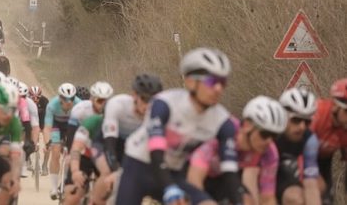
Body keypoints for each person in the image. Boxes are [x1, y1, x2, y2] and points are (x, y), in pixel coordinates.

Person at [116, 47, 238, 205]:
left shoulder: (223, 121)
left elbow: (230, 173)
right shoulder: (164, 104)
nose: (218, 89)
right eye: (211, 81)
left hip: (174, 172)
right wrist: (169, 187)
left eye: (222, 82)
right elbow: (156, 151)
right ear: (190, 81)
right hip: (139, 167)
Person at [187, 96, 287, 204]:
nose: (269, 141)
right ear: (248, 126)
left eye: (274, 136)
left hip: (222, 178)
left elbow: (268, 198)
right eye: (265, 134)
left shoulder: (270, 151)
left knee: (247, 202)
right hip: (188, 170)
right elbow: (194, 178)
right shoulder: (225, 131)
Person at [87, 74, 162, 204]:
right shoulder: (117, 104)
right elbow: (110, 144)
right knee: (107, 173)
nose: (147, 105)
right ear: (134, 95)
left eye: (153, 101)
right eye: (144, 99)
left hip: (132, 147)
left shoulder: (158, 112)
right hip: (106, 144)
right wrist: (116, 170)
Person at [275, 87, 321, 205]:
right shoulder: (268, 135)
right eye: (296, 120)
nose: (302, 127)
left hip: (285, 179)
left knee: (297, 197)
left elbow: (311, 184)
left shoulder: (310, 139)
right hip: (261, 178)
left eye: (307, 122)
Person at [311, 78, 347, 203]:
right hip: (298, 156)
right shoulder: (317, 114)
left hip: (324, 160)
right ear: (335, 107)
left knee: (327, 199)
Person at [44, 82, 81, 199]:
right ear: (60, 98)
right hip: (57, 125)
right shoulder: (52, 106)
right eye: (66, 99)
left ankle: (66, 180)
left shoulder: (79, 105)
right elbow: (47, 128)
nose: (69, 101)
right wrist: (48, 142)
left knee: (72, 153)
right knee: (55, 151)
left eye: (72, 98)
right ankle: (54, 188)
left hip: (72, 125)